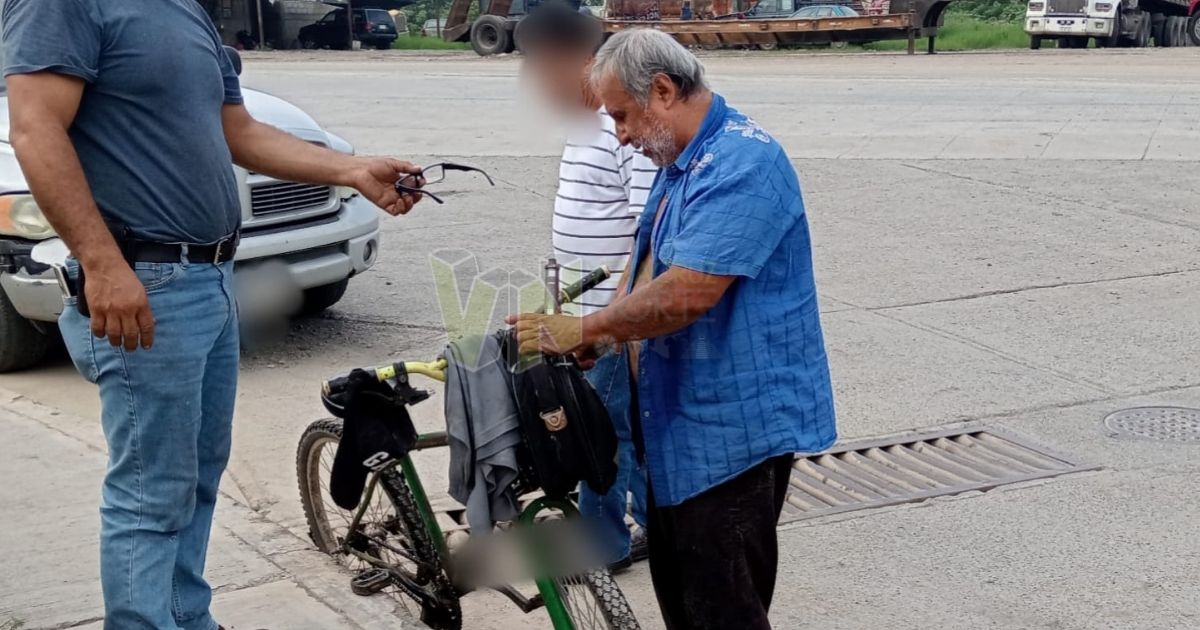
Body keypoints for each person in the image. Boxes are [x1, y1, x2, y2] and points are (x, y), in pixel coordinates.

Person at [1, 1, 423, 628]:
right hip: (147, 280)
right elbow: (36, 129)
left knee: (197, 474)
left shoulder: (183, 7)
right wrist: (103, 264)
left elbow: (239, 131)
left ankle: (185, 616)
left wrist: (352, 169)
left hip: (212, 276)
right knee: (151, 490)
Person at [509, 28, 836, 630]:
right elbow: (648, 267)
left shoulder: (744, 162)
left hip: (732, 436)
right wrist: (604, 337)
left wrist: (582, 326)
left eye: (623, 116)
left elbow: (685, 293)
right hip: (677, 425)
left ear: (662, 90)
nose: (622, 135)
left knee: (723, 610)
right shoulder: (680, 162)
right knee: (683, 600)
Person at [518, 3, 657, 572]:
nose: (535, 80)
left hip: (609, 320)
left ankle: (604, 546)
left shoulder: (621, 124)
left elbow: (649, 234)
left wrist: (612, 325)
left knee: (600, 435)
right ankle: (658, 525)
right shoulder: (582, 124)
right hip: (583, 311)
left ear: (581, 60)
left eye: (543, 65)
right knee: (620, 430)